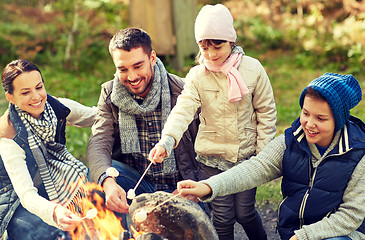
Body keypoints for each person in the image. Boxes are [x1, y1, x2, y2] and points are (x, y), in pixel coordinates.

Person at [177, 73, 365, 240]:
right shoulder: (290, 142)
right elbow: (255, 168)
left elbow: (350, 215)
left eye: (320, 118)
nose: (309, 123)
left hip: (340, 234)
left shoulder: (358, 154)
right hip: (294, 233)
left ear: (338, 120)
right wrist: (208, 186)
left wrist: (304, 236)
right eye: (306, 113)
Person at [149, 4, 277, 240]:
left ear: (230, 40)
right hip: (213, 157)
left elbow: (266, 112)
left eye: (217, 46)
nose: (211, 55)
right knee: (222, 217)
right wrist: (167, 140)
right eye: (204, 48)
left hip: (248, 156)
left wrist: (264, 156)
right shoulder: (198, 75)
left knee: (245, 213)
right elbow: (183, 110)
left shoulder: (253, 69)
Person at [87, 27, 205, 214]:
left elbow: (210, 149)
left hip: (182, 187)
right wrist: (107, 182)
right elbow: (98, 141)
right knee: (99, 175)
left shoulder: (184, 90)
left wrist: (197, 188)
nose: (132, 77)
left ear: (152, 58)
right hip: (137, 185)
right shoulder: (109, 94)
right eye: (123, 69)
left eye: (138, 66)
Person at [0, 59, 97, 240]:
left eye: (39, 87)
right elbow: (26, 194)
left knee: (101, 199)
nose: (36, 97)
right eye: (26, 92)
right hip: (14, 200)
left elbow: (98, 116)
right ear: (11, 97)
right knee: (55, 235)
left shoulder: (56, 108)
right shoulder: (8, 137)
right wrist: (54, 212)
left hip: (49, 184)